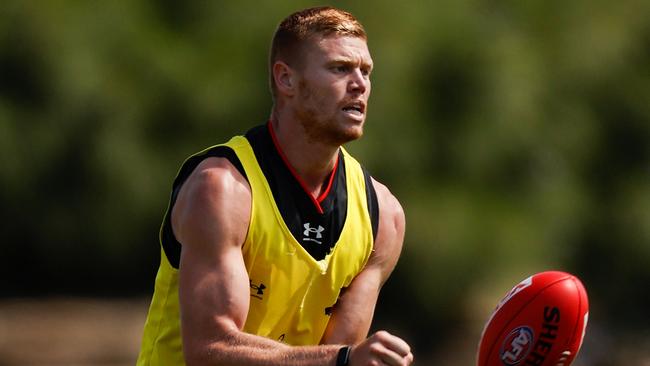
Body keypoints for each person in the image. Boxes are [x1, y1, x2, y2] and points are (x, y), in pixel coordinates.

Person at [137, 6, 414, 366]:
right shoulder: (221, 189)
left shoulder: (384, 217)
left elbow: (340, 353)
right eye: (340, 68)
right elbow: (209, 350)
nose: (360, 84)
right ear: (286, 80)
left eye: (366, 71)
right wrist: (342, 360)